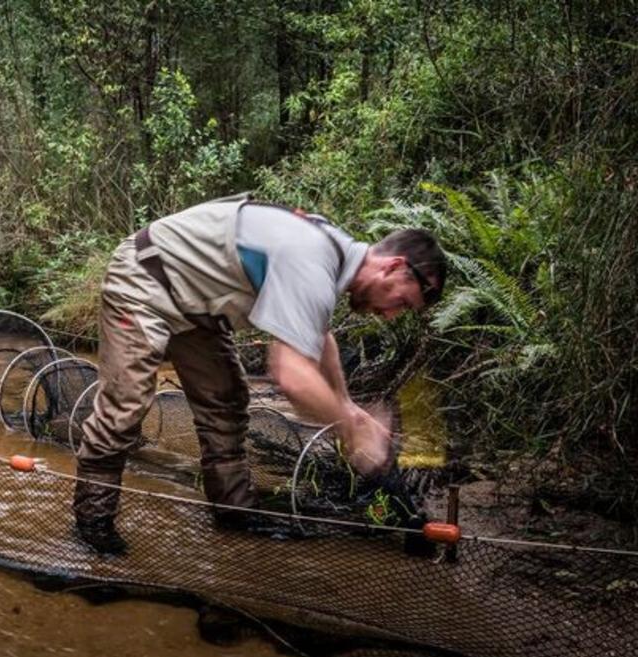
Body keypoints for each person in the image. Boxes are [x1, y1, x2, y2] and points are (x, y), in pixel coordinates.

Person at [73, 193, 447, 554]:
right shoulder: (312, 258)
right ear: (394, 266)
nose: (391, 314)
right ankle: (93, 525)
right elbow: (292, 375)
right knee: (125, 406)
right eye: (401, 302)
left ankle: (235, 510)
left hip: (194, 306)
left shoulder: (331, 253)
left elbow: (319, 335)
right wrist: (351, 431)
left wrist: (347, 406)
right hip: (142, 280)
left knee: (227, 400)